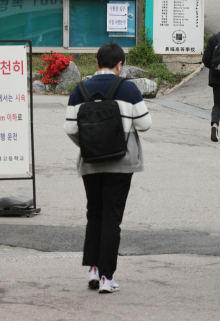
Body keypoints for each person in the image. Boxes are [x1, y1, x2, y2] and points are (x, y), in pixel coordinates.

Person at [64, 42, 152, 293]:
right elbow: (145, 124)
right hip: (121, 163)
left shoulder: (79, 89)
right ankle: (106, 278)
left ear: (96, 63)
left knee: (95, 213)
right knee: (112, 218)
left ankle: (93, 269)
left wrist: (89, 144)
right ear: (120, 65)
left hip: (91, 163)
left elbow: (70, 128)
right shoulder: (129, 89)